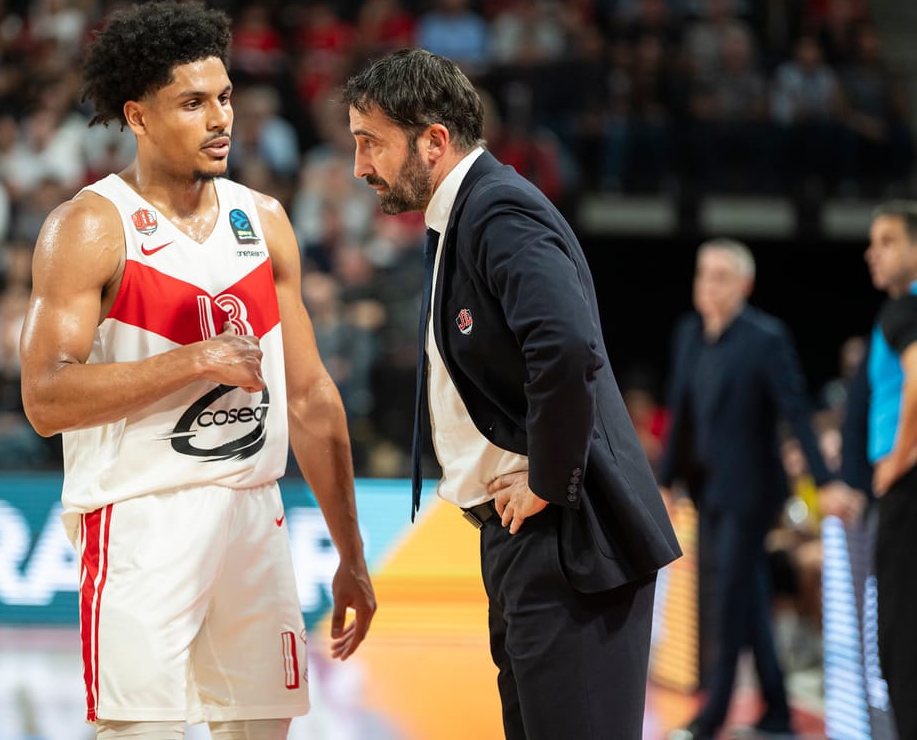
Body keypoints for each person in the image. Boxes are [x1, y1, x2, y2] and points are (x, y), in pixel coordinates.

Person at [19, 0, 375, 740]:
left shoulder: (264, 220)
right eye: (192, 103)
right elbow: (45, 397)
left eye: (225, 98)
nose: (220, 120)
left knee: (263, 730)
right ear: (138, 116)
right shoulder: (89, 226)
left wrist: (352, 554)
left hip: (252, 511)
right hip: (139, 517)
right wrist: (195, 360)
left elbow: (310, 397)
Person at [343, 47, 681, 740]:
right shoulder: (465, 214)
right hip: (525, 534)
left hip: (568, 536)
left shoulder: (497, 208)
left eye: (370, 141)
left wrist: (549, 480)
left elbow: (565, 346)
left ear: (433, 141)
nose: (360, 165)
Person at [658, 238, 864, 740]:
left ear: (745, 284)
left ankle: (712, 716)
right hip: (707, 491)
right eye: (703, 273)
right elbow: (680, 413)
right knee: (746, 595)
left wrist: (825, 482)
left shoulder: (765, 338)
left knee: (728, 599)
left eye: (721, 275)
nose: (709, 284)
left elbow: (796, 411)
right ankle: (776, 709)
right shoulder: (689, 334)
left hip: (752, 494)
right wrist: (664, 481)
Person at [863, 201, 917, 739]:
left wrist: (896, 463)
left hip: (907, 490)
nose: (872, 253)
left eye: (887, 241)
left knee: (899, 639)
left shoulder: (903, 310)